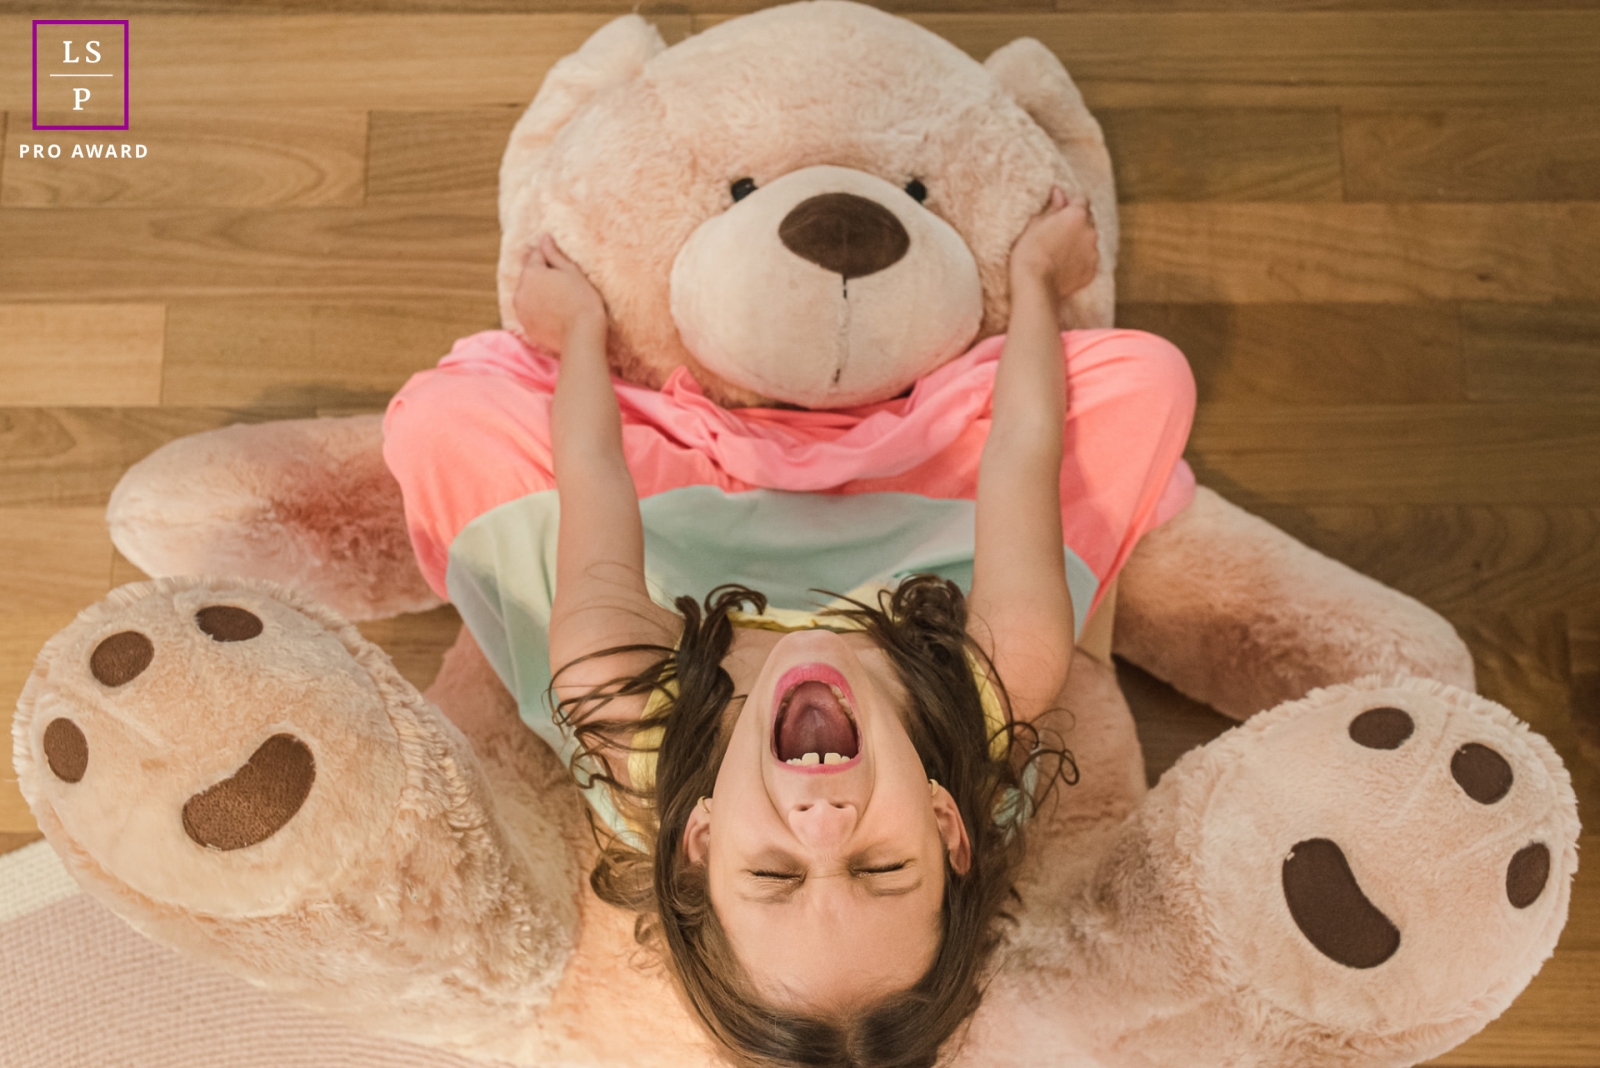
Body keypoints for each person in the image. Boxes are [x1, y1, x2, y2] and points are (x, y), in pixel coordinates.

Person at [381, 189, 1196, 1067]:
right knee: (1150, 380)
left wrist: (579, 331)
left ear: (698, 837)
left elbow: (591, 472)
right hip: (909, 536)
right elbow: (1024, 445)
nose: (821, 818)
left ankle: (742, 446)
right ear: (947, 824)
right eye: (881, 867)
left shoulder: (614, 688)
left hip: (683, 536)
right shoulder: (1002, 675)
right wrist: (1039, 279)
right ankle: (849, 451)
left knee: (436, 425)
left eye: (773, 873)